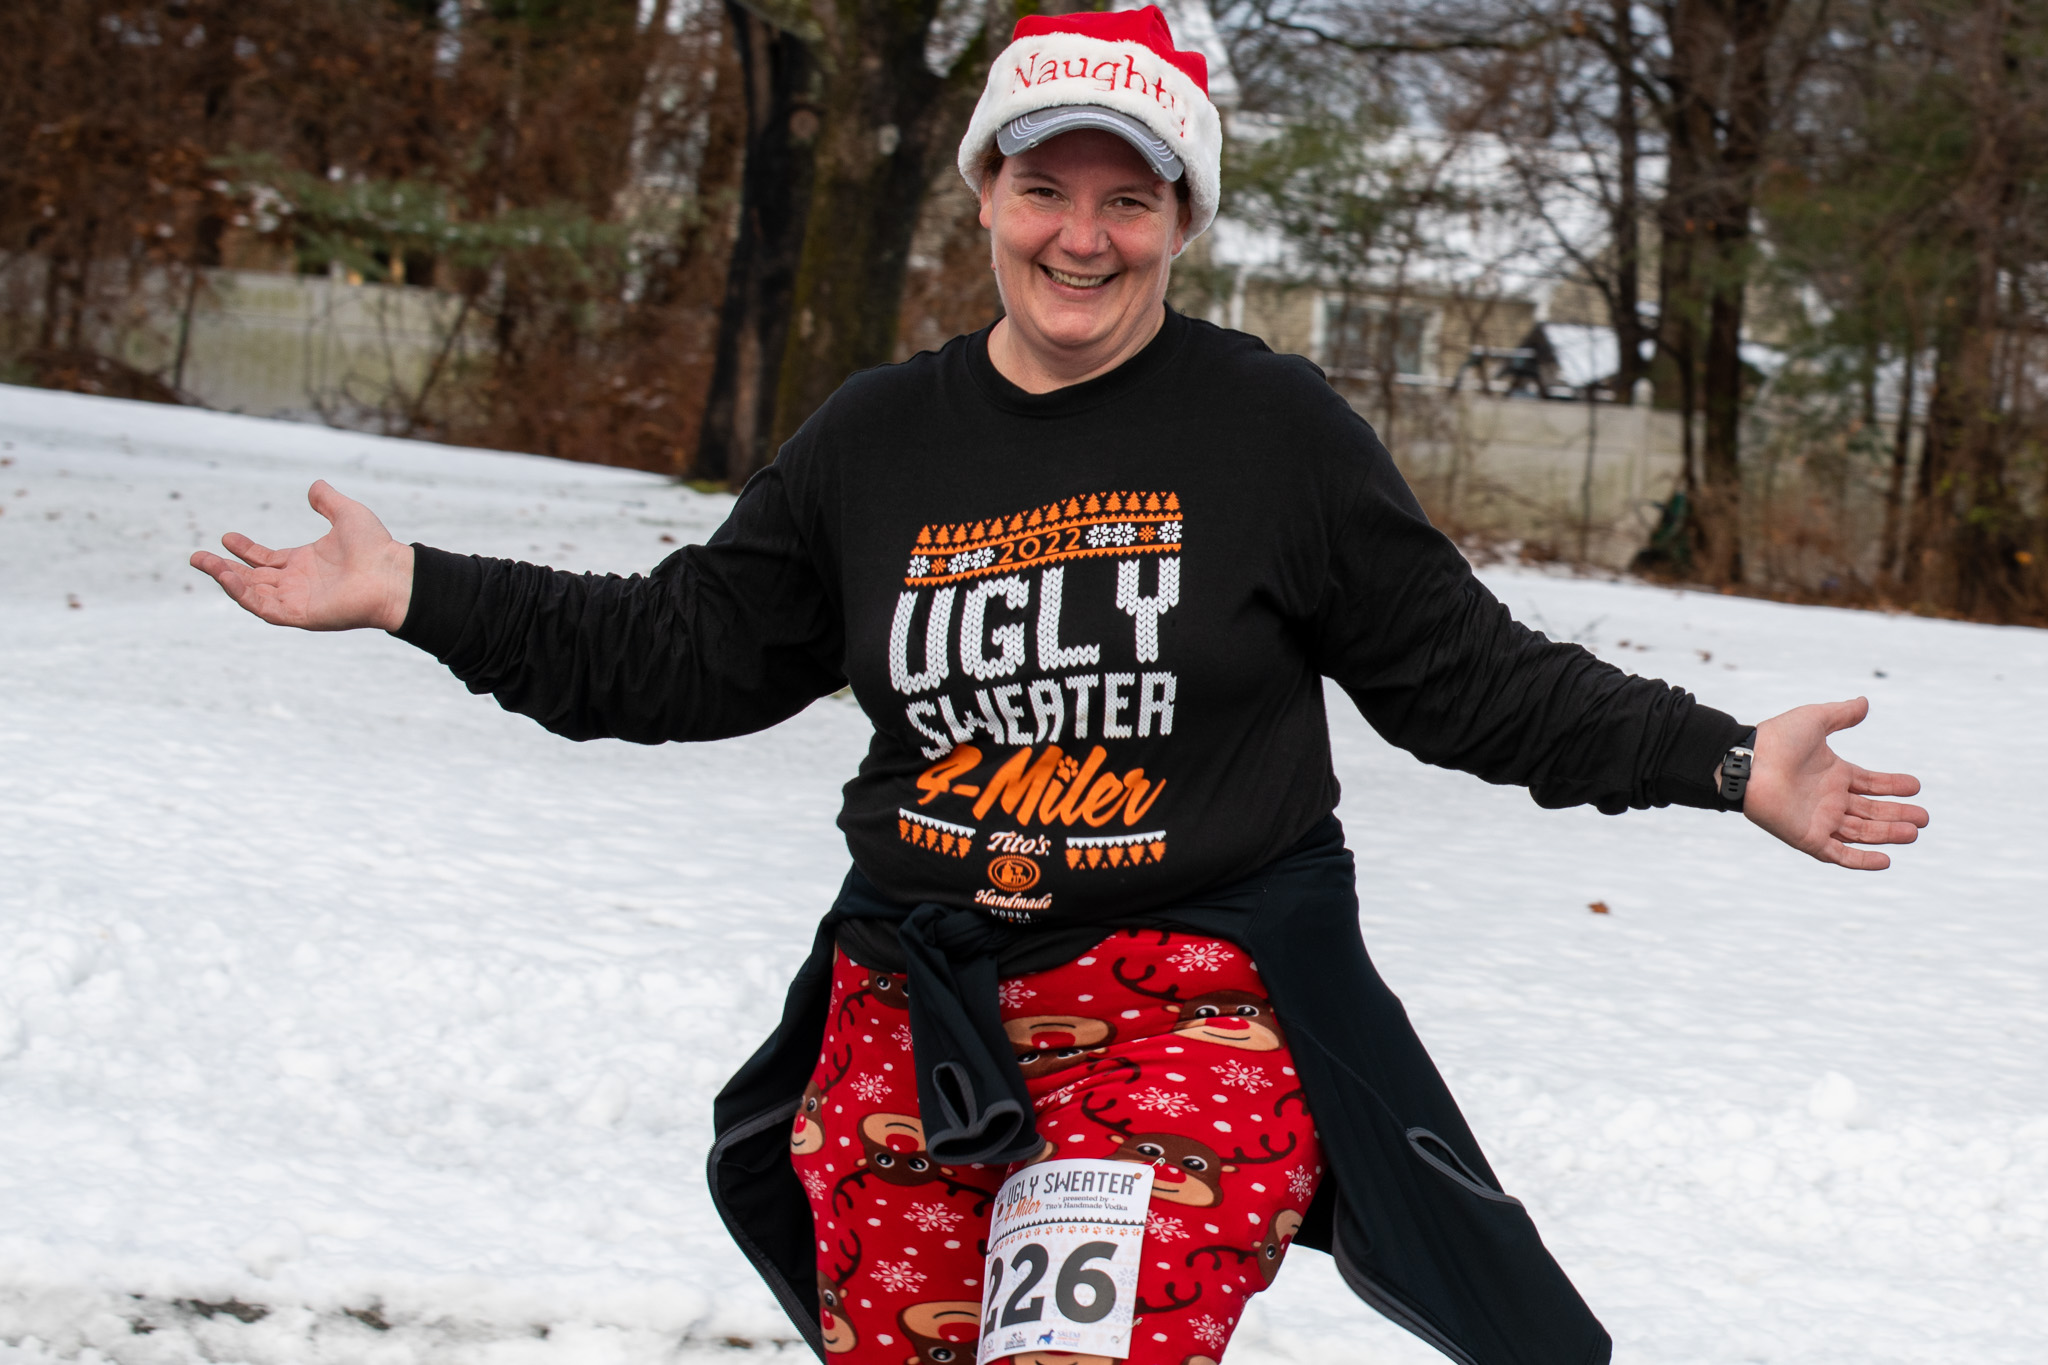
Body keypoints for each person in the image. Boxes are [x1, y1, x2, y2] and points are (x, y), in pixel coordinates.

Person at [190, 9, 1927, 1364]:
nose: (1080, 236)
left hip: (1189, 1008)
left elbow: (1466, 678)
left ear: (1183, 217)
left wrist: (1721, 763)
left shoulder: (1270, 434)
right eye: (1045, 186)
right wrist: (414, 588)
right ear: (986, 195)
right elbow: (687, 652)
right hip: (917, 1013)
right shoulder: (880, 437)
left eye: (1128, 195)